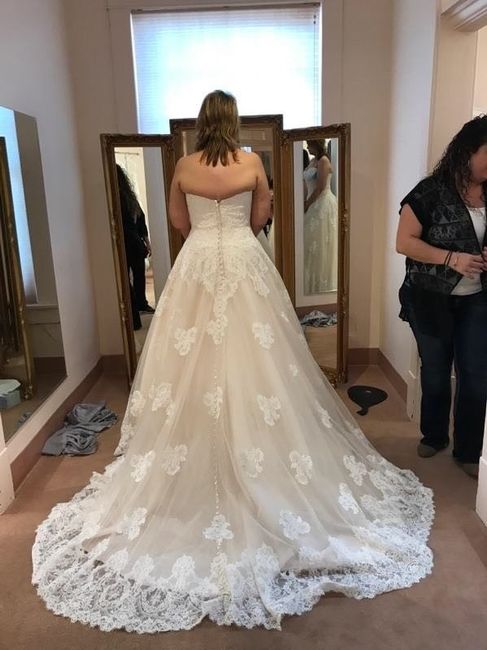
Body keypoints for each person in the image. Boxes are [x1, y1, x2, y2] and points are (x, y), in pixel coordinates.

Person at [32, 91, 434, 633]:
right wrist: (237, 228)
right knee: (263, 360)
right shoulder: (251, 163)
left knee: (190, 362)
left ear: (201, 123)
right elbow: (263, 214)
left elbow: (178, 220)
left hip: (197, 263)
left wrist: (205, 234)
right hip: (246, 262)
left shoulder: (183, 166)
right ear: (235, 121)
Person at [396, 115, 487, 478]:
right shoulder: (429, 192)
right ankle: (434, 435)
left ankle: (469, 449)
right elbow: (404, 242)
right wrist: (452, 258)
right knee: (435, 371)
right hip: (429, 298)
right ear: (467, 152)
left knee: (475, 374)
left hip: (477, 299)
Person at [116, 165, 155, 330]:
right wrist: (146, 241)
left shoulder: (118, 198)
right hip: (135, 240)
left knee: (127, 278)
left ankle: (137, 307)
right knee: (138, 275)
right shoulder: (129, 198)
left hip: (125, 240)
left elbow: (139, 219)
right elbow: (141, 220)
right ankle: (141, 303)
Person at [303, 140, 338, 294]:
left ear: (315, 144)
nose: (307, 147)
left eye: (309, 144)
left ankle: (321, 285)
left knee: (320, 243)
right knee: (311, 244)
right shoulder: (313, 161)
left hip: (322, 204)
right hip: (312, 202)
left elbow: (320, 188)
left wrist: (306, 204)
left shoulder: (324, 161)